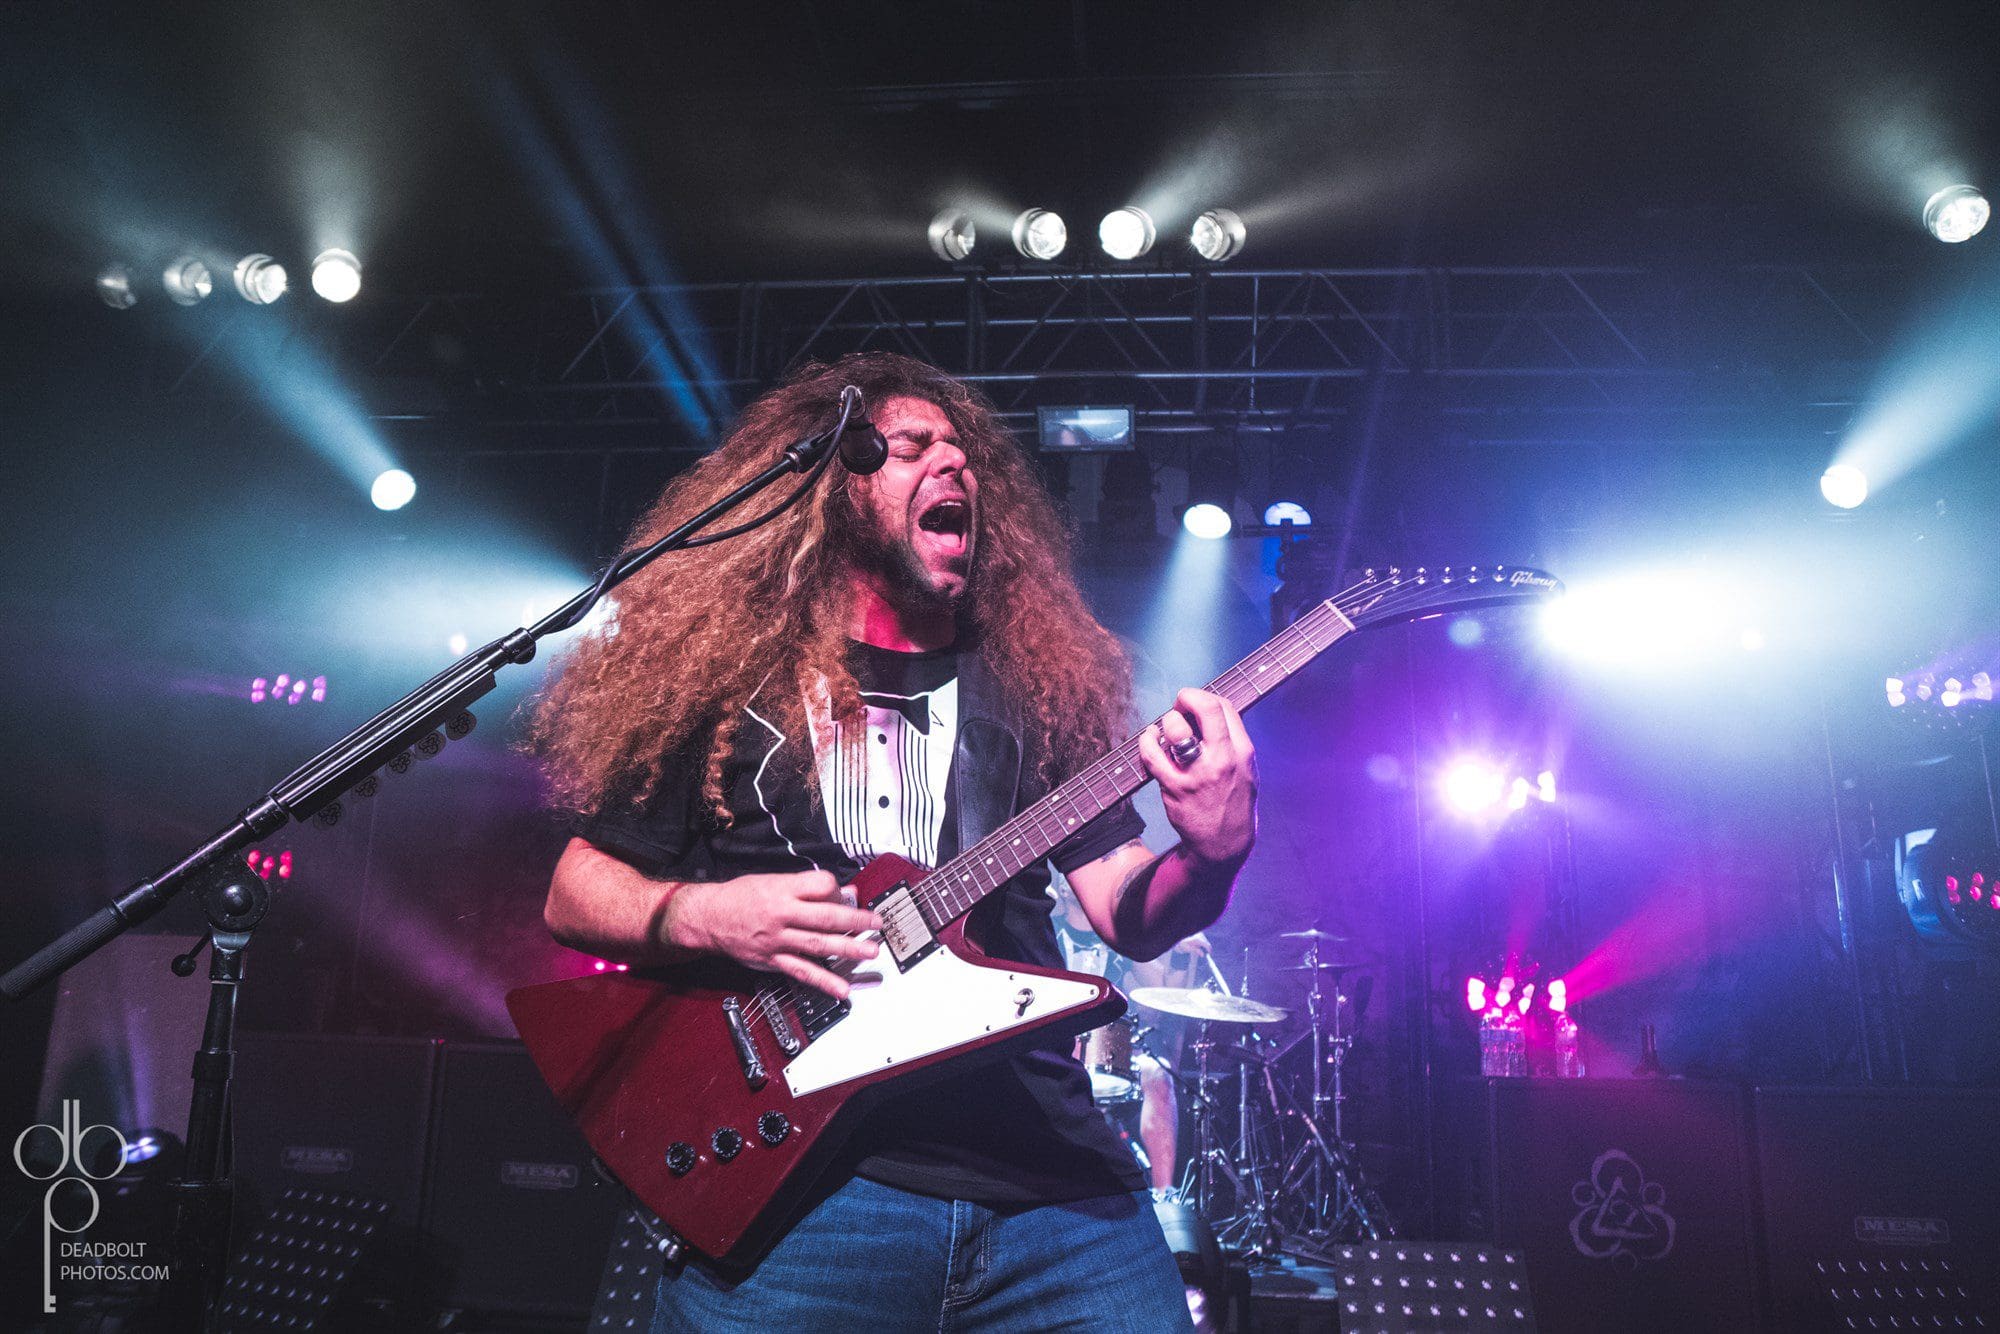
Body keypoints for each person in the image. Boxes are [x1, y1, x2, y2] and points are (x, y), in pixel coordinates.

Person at [528, 351, 1257, 1331]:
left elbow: (1126, 911)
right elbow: (575, 890)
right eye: (911, 448)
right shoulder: (731, 679)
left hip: (1049, 1188)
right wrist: (704, 913)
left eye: (963, 454)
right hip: (805, 1192)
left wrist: (1210, 854)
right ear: (833, 487)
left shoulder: (1035, 684)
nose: (954, 465)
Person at [1054, 876, 1210, 1194]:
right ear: (1061, 889)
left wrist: (1180, 951)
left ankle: (1164, 1194)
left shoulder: (1116, 940)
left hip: (1110, 1050)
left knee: (1157, 1072)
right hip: (1052, 1048)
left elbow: (1167, 992)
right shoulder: (1047, 932)